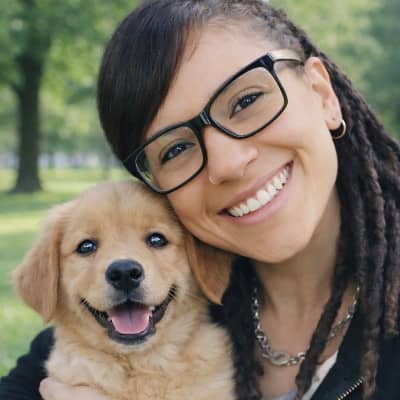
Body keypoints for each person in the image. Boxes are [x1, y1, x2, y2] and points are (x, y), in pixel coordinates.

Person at [1, 0, 400, 399]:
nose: (228, 163)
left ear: (322, 94)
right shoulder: (156, 308)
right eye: (175, 149)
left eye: (246, 101)